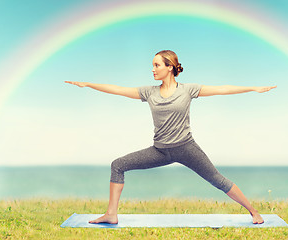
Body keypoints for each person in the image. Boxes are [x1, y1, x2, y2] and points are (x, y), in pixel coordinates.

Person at [65, 50, 276, 225]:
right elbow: (119, 90)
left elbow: (222, 89)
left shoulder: (187, 90)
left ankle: (253, 211)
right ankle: (111, 214)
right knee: (118, 165)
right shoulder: (149, 92)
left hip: (186, 148)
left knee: (218, 180)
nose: (153, 69)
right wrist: (88, 84)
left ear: (170, 67)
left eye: (157, 65)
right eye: (153, 65)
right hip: (160, 151)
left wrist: (253, 88)